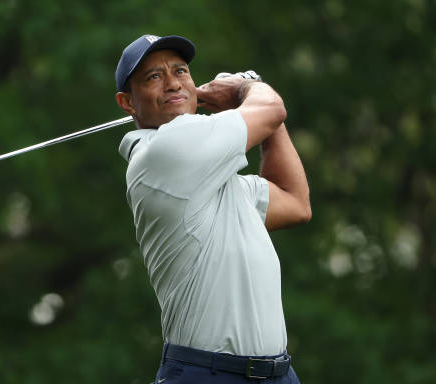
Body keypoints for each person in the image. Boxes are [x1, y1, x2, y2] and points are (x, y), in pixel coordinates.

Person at [115, 34, 311, 383]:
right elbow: (272, 109)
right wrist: (246, 87)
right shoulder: (163, 152)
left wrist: (258, 112)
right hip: (207, 373)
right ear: (128, 102)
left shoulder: (221, 182)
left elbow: (295, 203)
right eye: (154, 77)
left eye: (181, 72)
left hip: (278, 373)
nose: (173, 82)